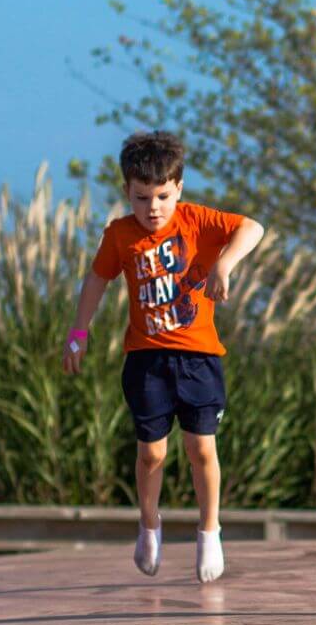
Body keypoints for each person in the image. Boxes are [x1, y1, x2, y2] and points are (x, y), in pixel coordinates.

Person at [64, 131, 267, 583]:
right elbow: (97, 280)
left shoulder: (196, 220)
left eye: (161, 196)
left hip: (198, 358)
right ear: (126, 193)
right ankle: (149, 522)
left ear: (178, 188)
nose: (152, 208)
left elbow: (252, 228)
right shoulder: (120, 234)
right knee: (152, 453)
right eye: (141, 198)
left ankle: (209, 529)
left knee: (200, 448)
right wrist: (79, 331)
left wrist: (224, 264)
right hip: (147, 359)